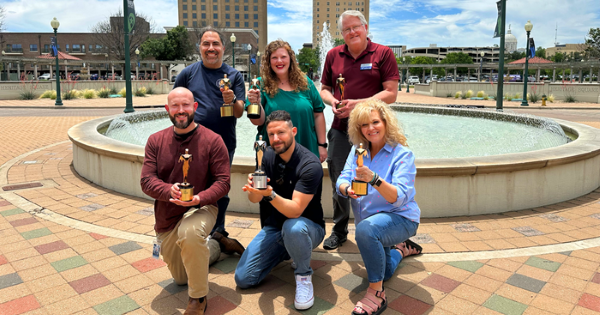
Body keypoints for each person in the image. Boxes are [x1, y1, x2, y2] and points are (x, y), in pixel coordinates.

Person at [141, 87, 231, 315]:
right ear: (167, 109)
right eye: (175, 106)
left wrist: (199, 198)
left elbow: (223, 182)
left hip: (202, 208)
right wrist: (167, 190)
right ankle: (216, 245)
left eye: (186, 105)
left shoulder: (213, 140)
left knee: (190, 234)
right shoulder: (155, 141)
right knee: (181, 278)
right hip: (167, 219)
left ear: (195, 107)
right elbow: (146, 180)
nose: (181, 111)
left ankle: (198, 299)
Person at [320, 10, 400, 250]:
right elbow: (324, 87)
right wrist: (332, 101)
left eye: (356, 27)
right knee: (339, 180)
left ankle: (381, 227)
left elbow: (391, 93)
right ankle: (340, 229)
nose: (352, 32)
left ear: (365, 28)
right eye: (346, 29)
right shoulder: (334, 55)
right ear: (341, 33)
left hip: (374, 130)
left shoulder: (383, 53)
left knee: (380, 178)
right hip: (340, 129)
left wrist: (360, 104)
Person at [336, 99, 421, 315]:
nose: (370, 128)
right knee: (384, 269)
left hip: (401, 218)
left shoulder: (402, 154)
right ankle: (401, 250)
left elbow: (400, 197)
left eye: (375, 122)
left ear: (385, 122)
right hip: (373, 224)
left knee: (365, 231)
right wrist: (347, 189)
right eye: (364, 124)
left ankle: (376, 293)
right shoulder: (357, 150)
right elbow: (342, 178)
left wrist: (374, 179)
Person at [235, 110, 325, 311]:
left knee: (293, 228)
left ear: (293, 131)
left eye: (281, 133)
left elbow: (295, 211)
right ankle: (289, 249)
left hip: (307, 226)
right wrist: (254, 190)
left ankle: (303, 276)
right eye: (271, 134)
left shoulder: (309, 164)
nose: (276, 139)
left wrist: (269, 194)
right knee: (244, 278)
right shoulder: (265, 156)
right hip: (275, 227)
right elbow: (254, 198)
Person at [173, 26, 246, 254]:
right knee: (190, 184)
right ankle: (189, 232)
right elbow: (177, 106)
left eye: (215, 44)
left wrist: (231, 99)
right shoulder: (188, 74)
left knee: (220, 189)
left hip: (224, 144)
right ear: (200, 48)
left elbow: (239, 111)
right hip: (191, 145)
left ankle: (218, 232)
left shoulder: (233, 76)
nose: (211, 48)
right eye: (206, 44)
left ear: (223, 48)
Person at [247, 39, 327, 162]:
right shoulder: (259, 84)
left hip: (307, 149)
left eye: (283, 57)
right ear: (268, 61)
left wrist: (322, 145)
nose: (279, 61)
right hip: (273, 153)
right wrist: (256, 103)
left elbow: (318, 114)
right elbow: (258, 122)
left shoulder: (306, 83)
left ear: (290, 59)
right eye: (274, 58)